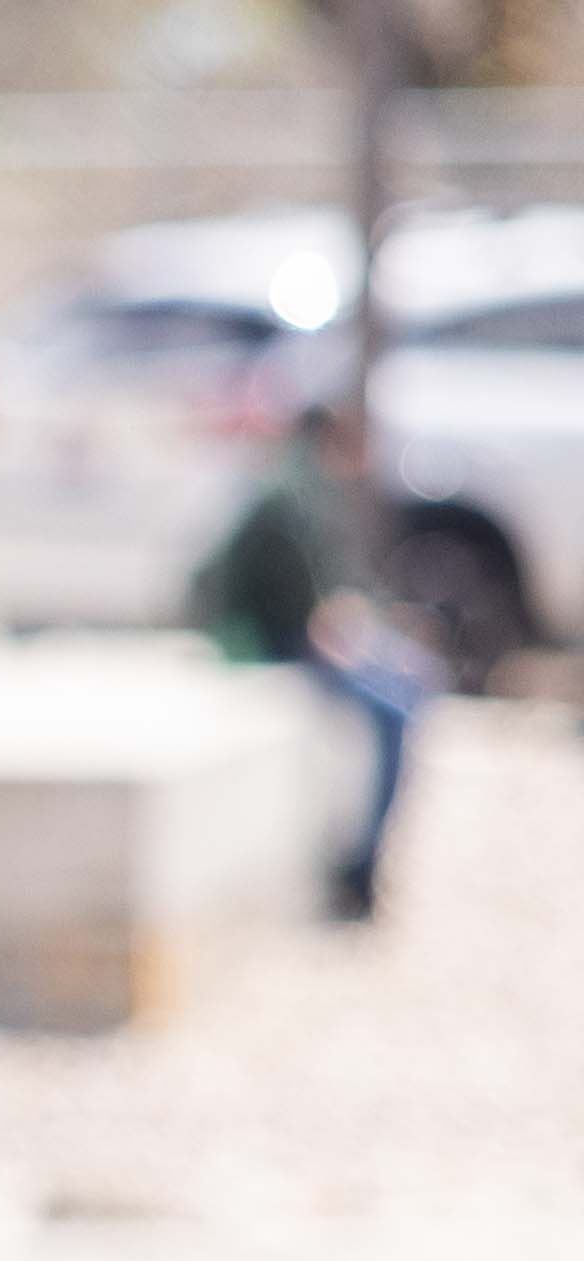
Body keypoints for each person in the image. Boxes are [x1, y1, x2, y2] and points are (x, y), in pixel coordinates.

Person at [193, 385, 431, 922]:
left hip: (303, 636)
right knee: (394, 712)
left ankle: (365, 860)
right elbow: (306, 610)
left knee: (411, 687)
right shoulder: (294, 494)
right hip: (277, 644)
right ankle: (361, 866)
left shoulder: (306, 488)